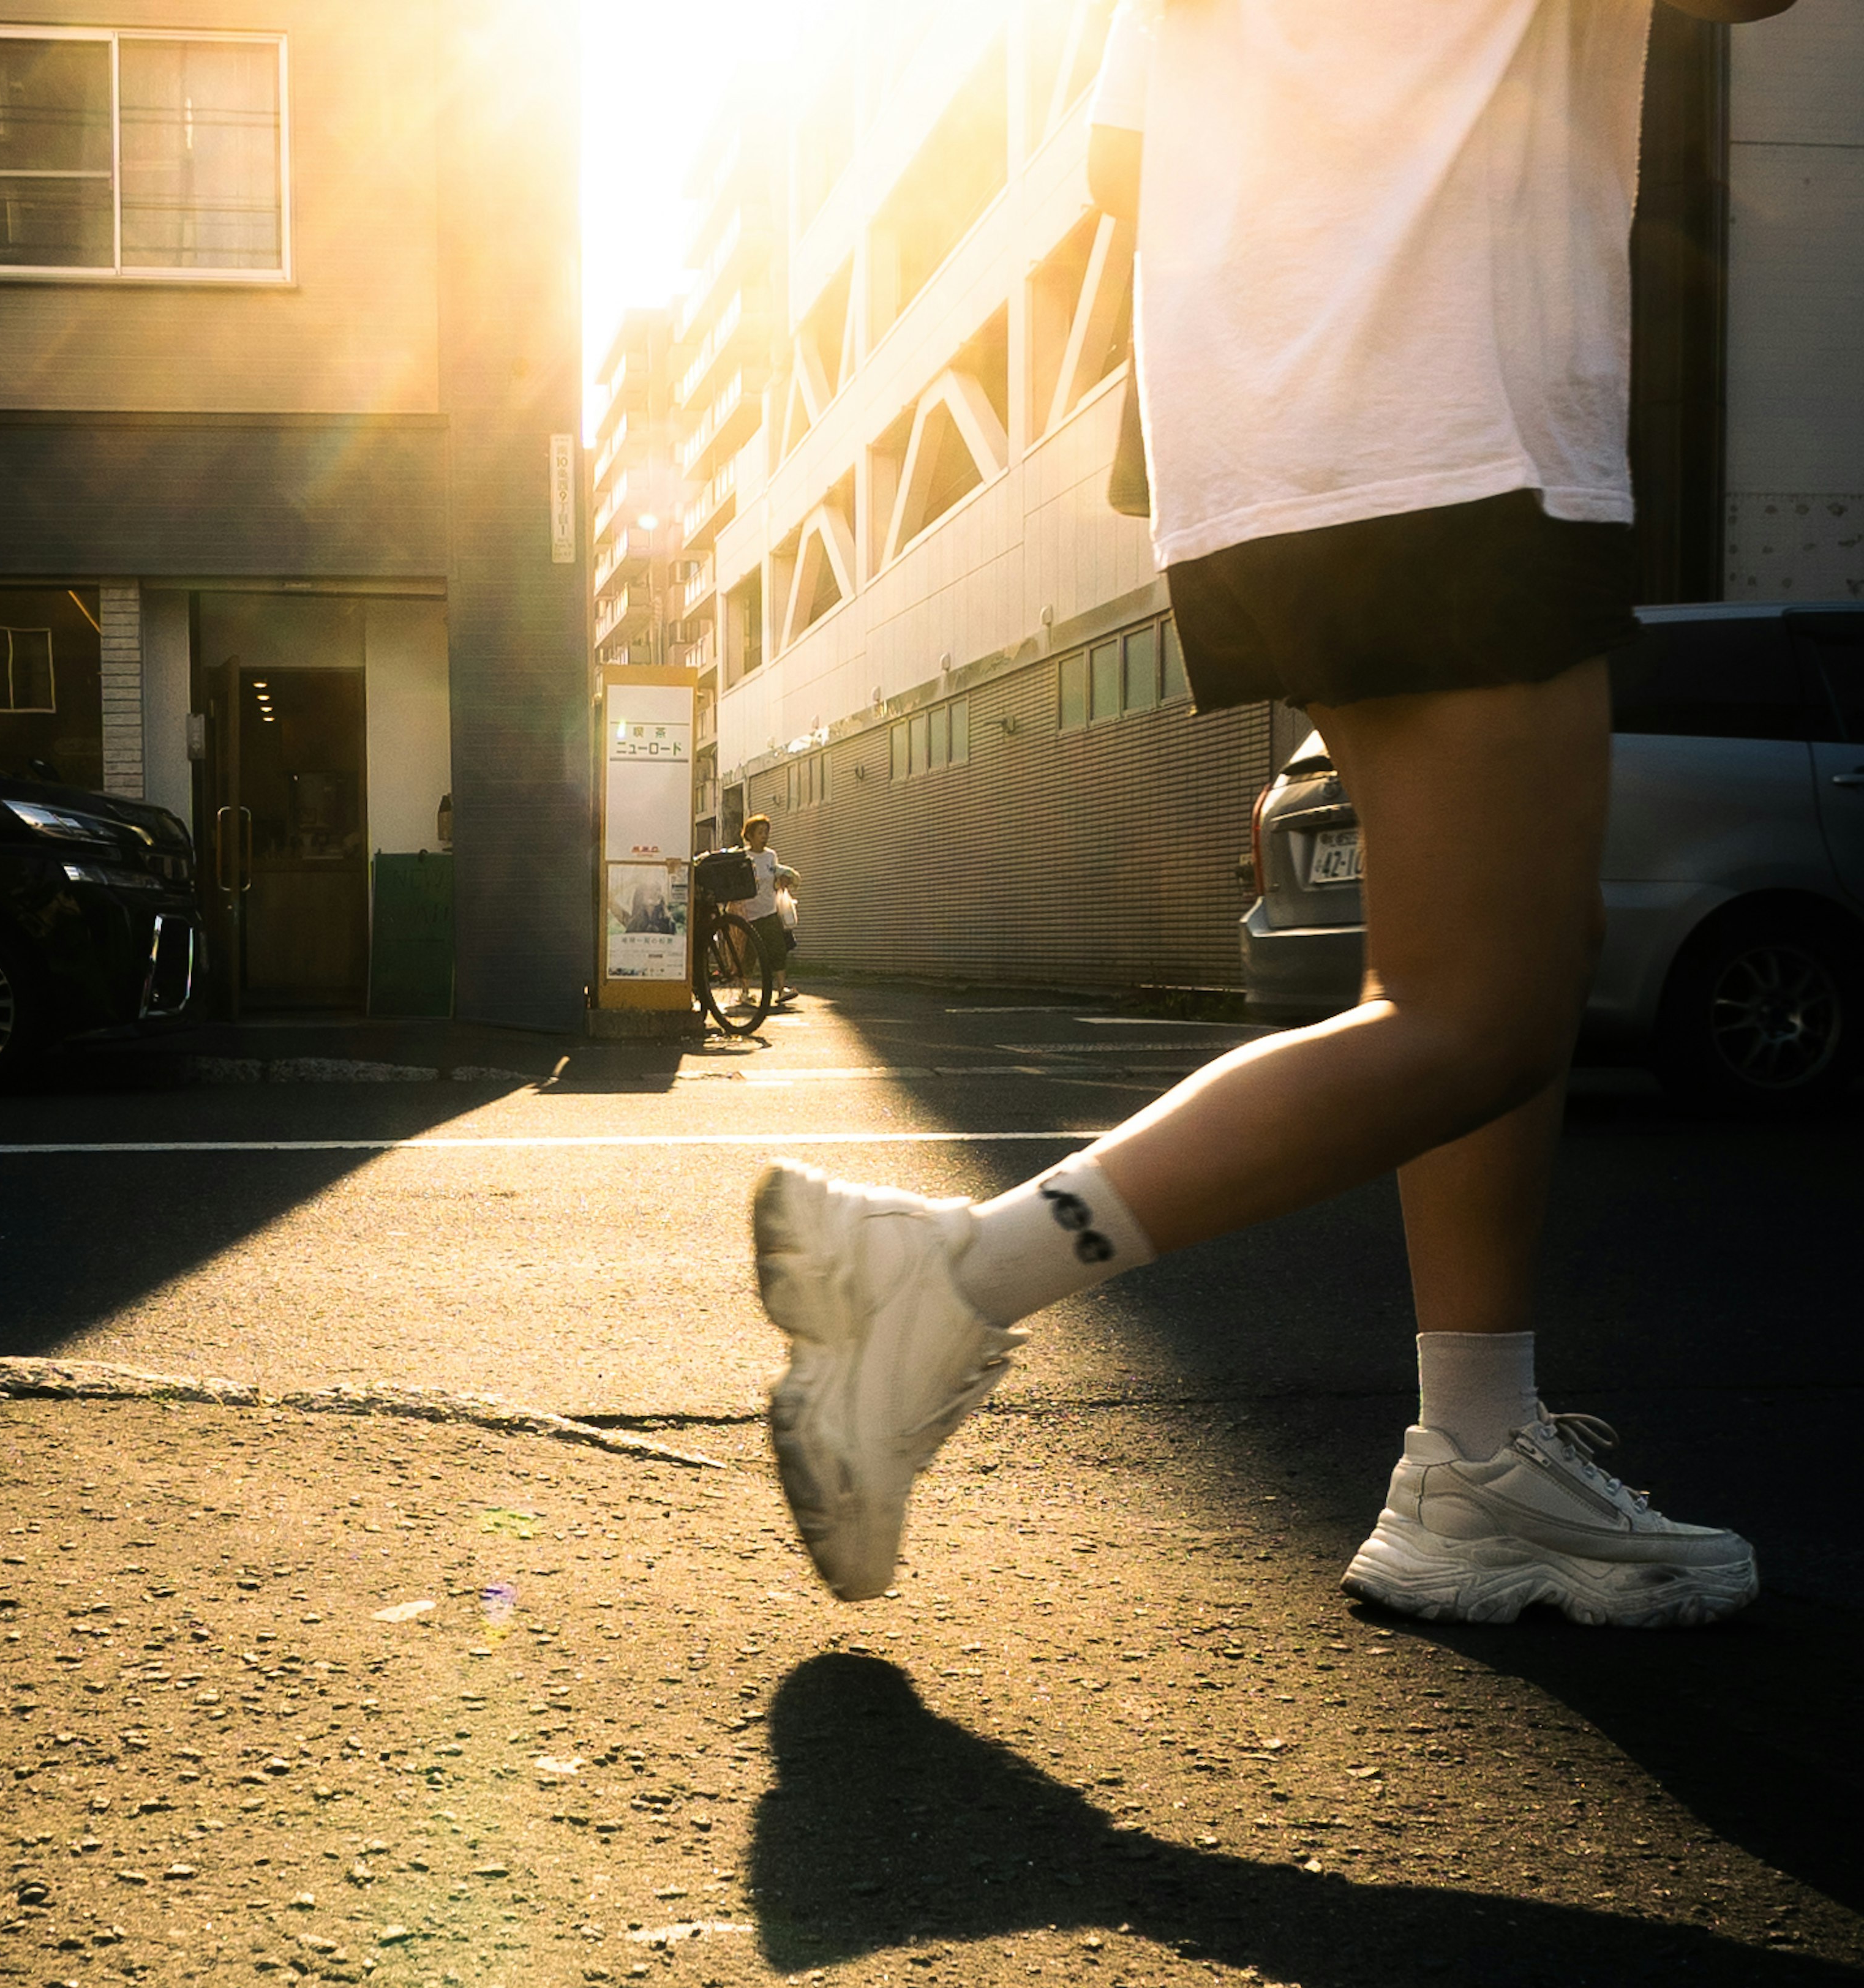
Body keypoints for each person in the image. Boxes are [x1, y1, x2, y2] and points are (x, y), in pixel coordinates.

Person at [753, 0, 1788, 1623]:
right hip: (1450, 414)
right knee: (1482, 1011)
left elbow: (1120, 157)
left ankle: (1477, 1443)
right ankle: (949, 1281)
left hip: (1287, 424)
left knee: (1499, 954)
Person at [734, 814, 801, 1009]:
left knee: (778, 948)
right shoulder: (743, 857)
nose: (764, 836)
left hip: (769, 910)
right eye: (760, 833)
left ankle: (781, 989)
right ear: (750, 835)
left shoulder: (771, 856)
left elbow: (774, 877)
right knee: (749, 953)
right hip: (749, 913)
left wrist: (783, 880)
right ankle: (745, 992)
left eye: (766, 832)